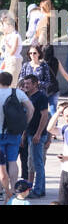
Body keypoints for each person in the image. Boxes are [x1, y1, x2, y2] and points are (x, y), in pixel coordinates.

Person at [0, 71, 34, 204]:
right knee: (12, 161)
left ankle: (3, 190)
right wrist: (24, 124)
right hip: (14, 132)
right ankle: (14, 190)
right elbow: (31, 109)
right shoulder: (17, 93)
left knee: (0, 166)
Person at [18, 74, 50, 198]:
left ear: (35, 84)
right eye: (25, 83)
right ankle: (36, 188)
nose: (26, 86)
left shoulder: (41, 97)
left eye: (28, 83)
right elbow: (27, 118)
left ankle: (39, 190)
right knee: (31, 163)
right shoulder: (27, 96)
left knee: (38, 163)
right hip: (30, 133)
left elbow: (44, 116)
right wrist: (23, 135)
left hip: (37, 135)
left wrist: (38, 133)